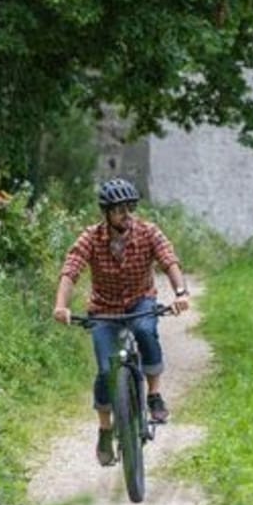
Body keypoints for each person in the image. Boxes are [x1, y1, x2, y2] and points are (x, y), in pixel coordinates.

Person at [53, 177, 190, 466]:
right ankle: (105, 430)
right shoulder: (91, 238)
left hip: (141, 301)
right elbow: (71, 270)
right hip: (104, 309)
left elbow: (169, 260)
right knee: (106, 371)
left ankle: (154, 395)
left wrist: (180, 293)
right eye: (119, 210)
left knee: (145, 331)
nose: (126, 214)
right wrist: (61, 306)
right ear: (106, 213)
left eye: (130, 208)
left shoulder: (148, 232)